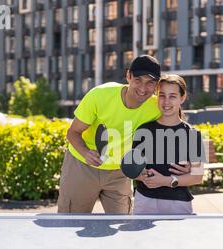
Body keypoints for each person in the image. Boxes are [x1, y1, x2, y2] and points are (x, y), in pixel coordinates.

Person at [57, 56, 190, 214]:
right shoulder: (99, 95)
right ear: (128, 76)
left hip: (120, 172)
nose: (143, 87)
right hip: (82, 166)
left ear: (156, 85)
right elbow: (72, 133)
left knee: (123, 226)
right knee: (70, 223)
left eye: (150, 82)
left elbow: (175, 129)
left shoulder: (156, 107)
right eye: (138, 79)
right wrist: (86, 153)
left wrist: (187, 162)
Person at [132, 74, 206, 215]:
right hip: (145, 201)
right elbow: (132, 170)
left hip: (178, 203)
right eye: (162, 95)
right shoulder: (142, 130)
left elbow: (197, 177)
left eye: (172, 96)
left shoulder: (193, 134)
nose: (166, 102)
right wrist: (143, 177)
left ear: (182, 98)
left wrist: (166, 180)